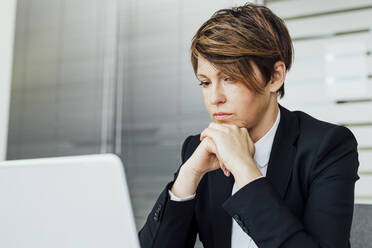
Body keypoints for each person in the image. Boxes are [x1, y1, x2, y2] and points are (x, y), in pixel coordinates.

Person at [138, 3, 359, 248]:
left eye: (229, 78)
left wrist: (244, 169)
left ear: (275, 77)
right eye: (205, 82)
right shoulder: (198, 148)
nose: (215, 98)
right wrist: (188, 175)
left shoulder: (327, 146)